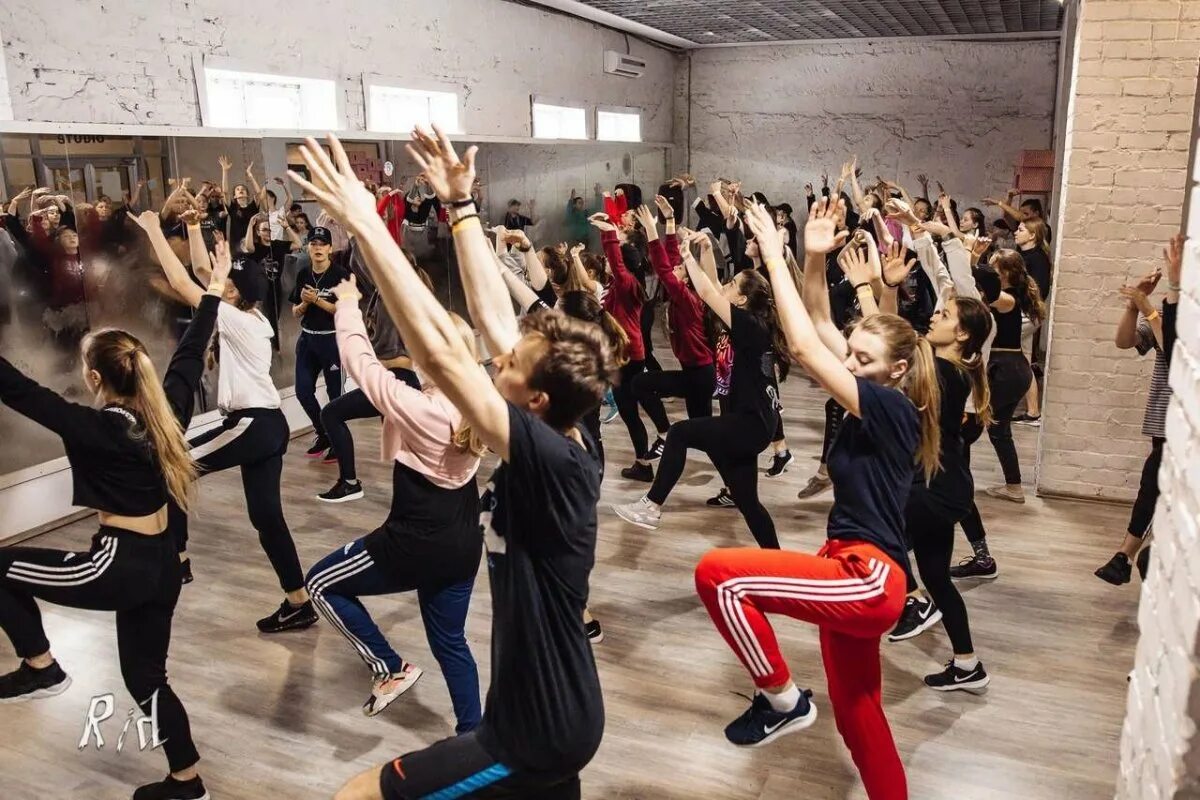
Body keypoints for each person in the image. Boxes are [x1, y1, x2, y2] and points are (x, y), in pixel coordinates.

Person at [292, 129, 606, 800]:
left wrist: (368, 229)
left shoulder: (550, 457)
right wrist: (461, 209)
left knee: (360, 793)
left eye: (512, 366)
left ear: (536, 399)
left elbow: (439, 356)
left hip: (531, 732)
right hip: (555, 712)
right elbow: (492, 321)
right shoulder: (557, 433)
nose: (501, 358)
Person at [689, 198, 938, 800]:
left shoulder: (891, 407)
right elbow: (824, 329)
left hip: (868, 576)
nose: (847, 362)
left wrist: (773, 256)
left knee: (720, 576)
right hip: (851, 567)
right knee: (858, 714)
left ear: (897, 370)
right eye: (851, 354)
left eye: (863, 360)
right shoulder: (872, 394)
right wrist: (811, 259)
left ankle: (781, 698)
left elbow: (804, 348)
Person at [0, 247, 234, 800]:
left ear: (94, 376)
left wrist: (213, 295)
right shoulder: (167, 409)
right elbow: (191, 350)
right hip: (163, 567)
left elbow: (20, 391)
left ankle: (41, 666)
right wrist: (212, 292)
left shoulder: (98, 428)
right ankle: (187, 781)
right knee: (146, 677)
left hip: (119, 563)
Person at [306, 275, 485, 730]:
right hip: (463, 545)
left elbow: (360, 363)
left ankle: (389, 668)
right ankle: (473, 735)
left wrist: (347, 304)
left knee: (321, 583)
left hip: (412, 544)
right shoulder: (478, 398)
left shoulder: (421, 407)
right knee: (451, 642)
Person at [131, 210, 315, 632]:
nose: (219, 288)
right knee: (268, 519)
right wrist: (194, 228)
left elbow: (183, 283)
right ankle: (298, 602)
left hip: (251, 424)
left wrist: (156, 230)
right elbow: (200, 272)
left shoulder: (234, 320)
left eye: (226, 286)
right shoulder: (253, 316)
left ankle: (176, 561)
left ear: (236, 295)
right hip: (268, 426)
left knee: (168, 462)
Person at [612, 219, 786, 551]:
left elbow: (707, 290)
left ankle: (651, 506)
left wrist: (685, 254)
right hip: (750, 423)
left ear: (743, 300)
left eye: (734, 283)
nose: (727, 285)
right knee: (747, 501)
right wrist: (705, 249)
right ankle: (778, 562)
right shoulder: (741, 322)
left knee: (680, 432)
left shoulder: (749, 326)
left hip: (750, 423)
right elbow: (714, 288)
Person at [1095, 235, 1182, 585]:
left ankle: (1125, 557)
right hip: (1165, 421)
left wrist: (1148, 306)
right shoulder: (1167, 309)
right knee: (1157, 490)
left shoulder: (1177, 313)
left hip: (1184, 424)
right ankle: (1131, 559)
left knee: (1153, 487)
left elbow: (1176, 352)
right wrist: (1135, 306)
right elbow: (1125, 341)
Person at [317, 238, 428, 503]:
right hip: (390, 380)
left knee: (331, 413)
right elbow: (360, 265)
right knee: (401, 450)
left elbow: (363, 263)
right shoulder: (384, 292)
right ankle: (416, 500)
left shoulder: (401, 293)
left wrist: (358, 223)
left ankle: (350, 482)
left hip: (396, 380)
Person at [621, 203, 716, 482]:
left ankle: (734, 479)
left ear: (686, 276)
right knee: (698, 434)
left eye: (679, 270)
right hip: (694, 373)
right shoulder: (682, 291)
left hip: (700, 376)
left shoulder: (687, 298)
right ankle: (665, 435)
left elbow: (664, 269)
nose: (674, 270)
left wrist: (652, 229)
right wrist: (671, 222)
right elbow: (671, 260)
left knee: (703, 436)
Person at [978, 249, 1045, 503]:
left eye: (994, 269)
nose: (991, 274)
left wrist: (971, 260)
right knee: (998, 430)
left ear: (1005, 273)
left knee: (971, 422)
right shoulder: (1009, 297)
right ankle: (1014, 487)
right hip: (1014, 369)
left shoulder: (1008, 299)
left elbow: (992, 293)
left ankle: (949, 482)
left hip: (1006, 370)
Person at [291, 225, 351, 460]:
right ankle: (323, 432)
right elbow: (295, 311)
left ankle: (338, 443)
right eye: (313, 244)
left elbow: (344, 311)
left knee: (335, 395)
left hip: (332, 340)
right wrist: (305, 304)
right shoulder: (303, 274)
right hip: (307, 340)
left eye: (322, 244)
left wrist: (317, 300)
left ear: (330, 248)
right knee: (303, 391)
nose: (317, 248)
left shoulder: (341, 275)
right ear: (308, 247)